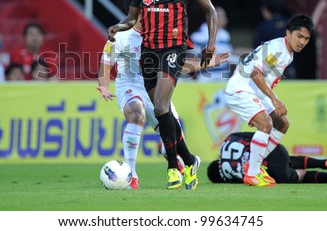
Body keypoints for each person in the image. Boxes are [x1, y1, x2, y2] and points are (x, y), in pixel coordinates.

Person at [108, 0, 217, 189]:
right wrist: (118, 26)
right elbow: (132, 19)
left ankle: (172, 167)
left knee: (159, 106)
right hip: (149, 50)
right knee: (164, 112)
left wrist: (210, 44)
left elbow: (209, 10)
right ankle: (189, 160)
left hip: (174, 49)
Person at [98, 18, 229, 189]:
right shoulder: (121, 37)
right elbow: (106, 63)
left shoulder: (159, 40)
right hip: (129, 85)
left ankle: (184, 159)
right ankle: (132, 175)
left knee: (172, 133)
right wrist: (104, 86)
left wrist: (207, 63)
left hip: (154, 87)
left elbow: (178, 66)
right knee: (136, 116)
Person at [225, 14, 314, 187]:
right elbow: (255, 72)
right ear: (288, 33)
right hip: (241, 88)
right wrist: (274, 99)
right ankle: (252, 174)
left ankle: (254, 166)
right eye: (299, 36)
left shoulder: (288, 53)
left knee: (282, 123)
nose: (302, 42)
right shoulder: (278, 48)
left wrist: (271, 99)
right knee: (265, 125)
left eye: (306, 38)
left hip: (255, 91)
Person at [207, 132, 327, 184]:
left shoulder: (226, 177)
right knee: (285, 158)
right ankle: (325, 162)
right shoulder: (230, 138)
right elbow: (257, 136)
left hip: (274, 173)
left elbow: (244, 179)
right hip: (275, 151)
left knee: (299, 175)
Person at [190, 5, 235, 82]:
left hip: (223, 75)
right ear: (214, 18)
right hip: (205, 76)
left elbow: (230, 53)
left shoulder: (225, 35)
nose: (226, 20)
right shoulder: (198, 36)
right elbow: (191, 58)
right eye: (223, 17)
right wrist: (209, 58)